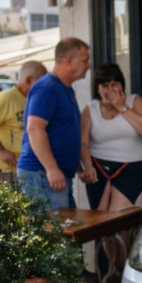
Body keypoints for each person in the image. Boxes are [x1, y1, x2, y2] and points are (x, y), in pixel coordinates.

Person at [17, 38, 91, 208]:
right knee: (53, 233)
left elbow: (62, 132)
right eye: (85, 60)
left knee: (66, 232)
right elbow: (34, 129)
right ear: (69, 61)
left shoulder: (63, 87)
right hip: (42, 174)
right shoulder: (47, 87)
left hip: (53, 174)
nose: (89, 66)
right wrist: (51, 168)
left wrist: (79, 168)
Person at [79, 63, 142, 210]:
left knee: (121, 223)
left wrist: (122, 107)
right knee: (101, 223)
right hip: (98, 169)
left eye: (115, 84)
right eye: (105, 85)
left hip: (131, 170)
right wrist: (87, 167)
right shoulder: (90, 108)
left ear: (122, 86)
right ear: (98, 88)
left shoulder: (134, 101)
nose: (110, 90)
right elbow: (83, 143)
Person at [0, 62, 47, 172]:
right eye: (41, 81)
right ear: (28, 80)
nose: (45, 85)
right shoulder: (7, 97)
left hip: (33, 168)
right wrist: (0, 151)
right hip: (8, 171)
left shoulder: (34, 99)